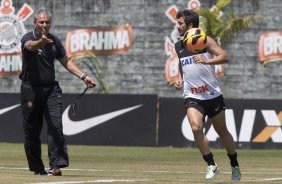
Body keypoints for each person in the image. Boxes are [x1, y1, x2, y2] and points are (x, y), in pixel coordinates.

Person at [19, 8, 96, 176]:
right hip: (30, 89)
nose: (44, 25)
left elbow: (66, 62)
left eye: (47, 22)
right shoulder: (28, 38)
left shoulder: (54, 41)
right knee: (31, 131)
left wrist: (84, 76)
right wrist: (41, 42)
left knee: (56, 125)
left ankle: (56, 165)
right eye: (41, 22)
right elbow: (31, 47)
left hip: (51, 90)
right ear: (35, 23)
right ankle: (37, 168)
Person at [174, 9, 241, 181]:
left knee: (222, 131)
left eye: (180, 23)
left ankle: (234, 165)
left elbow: (225, 57)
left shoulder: (205, 40)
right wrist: (179, 78)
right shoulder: (179, 45)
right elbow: (182, 64)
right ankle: (211, 164)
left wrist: (206, 60)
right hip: (192, 95)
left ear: (190, 25)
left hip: (212, 95)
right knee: (196, 127)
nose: (178, 26)